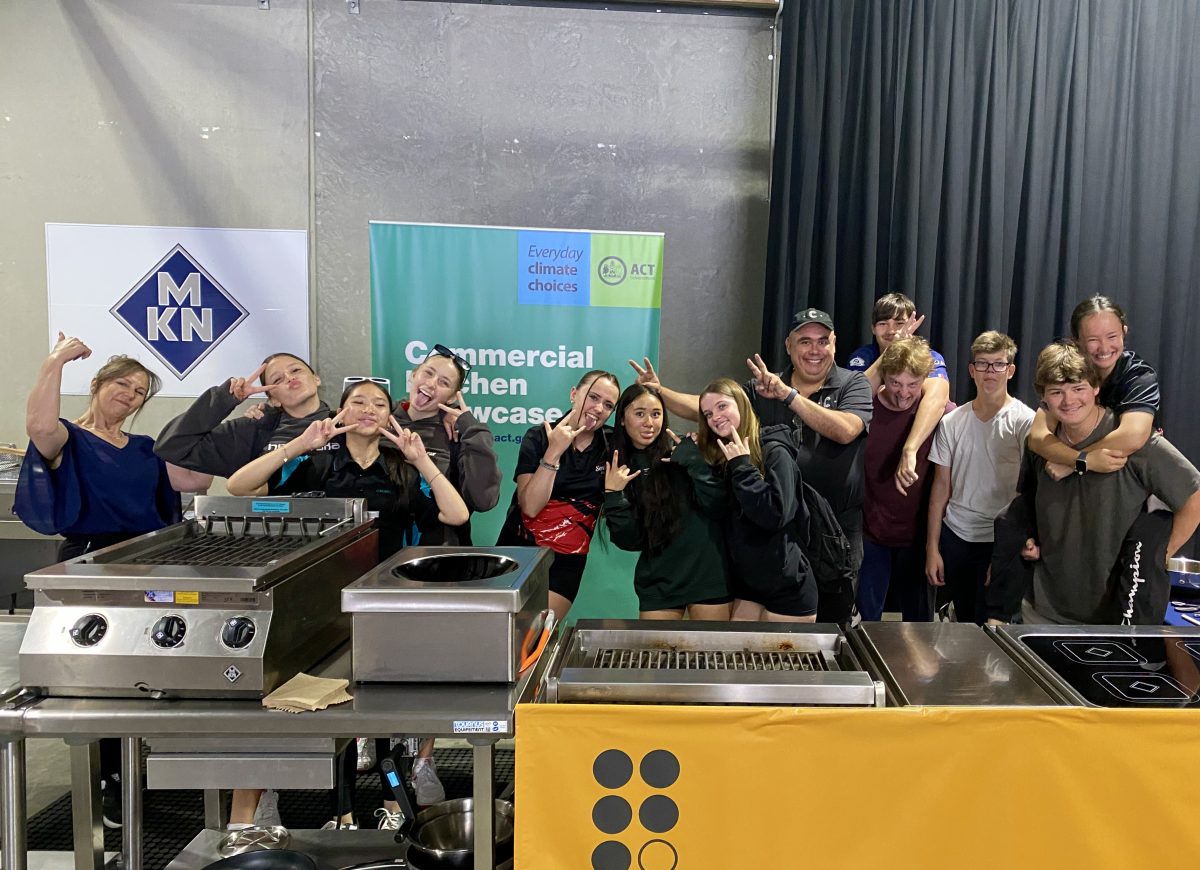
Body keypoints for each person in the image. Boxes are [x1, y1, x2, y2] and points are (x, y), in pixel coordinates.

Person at [228, 379, 468, 829]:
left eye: (379, 403)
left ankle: (392, 808)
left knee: (383, 710)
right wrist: (301, 442)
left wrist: (421, 461)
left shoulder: (403, 469)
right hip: (308, 607)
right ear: (339, 411)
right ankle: (282, 804)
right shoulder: (312, 458)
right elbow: (239, 487)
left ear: (389, 416)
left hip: (380, 608)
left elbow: (457, 515)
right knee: (291, 703)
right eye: (357, 401)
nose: (368, 409)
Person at [16, 333, 211, 830]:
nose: (129, 394)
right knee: (98, 675)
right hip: (89, 563)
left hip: (148, 563)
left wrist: (208, 423)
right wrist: (56, 359)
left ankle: (137, 763)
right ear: (98, 385)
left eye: (140, 391)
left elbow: (198, 481)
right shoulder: (68, 438)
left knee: (149, 668)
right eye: (122, 384)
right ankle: (108, 778)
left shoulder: (147, 448)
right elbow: (38, 424)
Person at [640, 308, 871, 622]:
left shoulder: (851, 383)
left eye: (822, 340)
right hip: (768, 552)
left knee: (832, 621)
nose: (814, 349)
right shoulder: (757, 392)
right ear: (789, 345)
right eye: (805, 341)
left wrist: (787, 395)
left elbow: (846, 430)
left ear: (834, 343)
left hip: (832, 526)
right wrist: (659, 393)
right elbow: (711, 404)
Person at [1012, 342, 1200, 625]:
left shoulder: (1136, 443)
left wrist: (1154, 559)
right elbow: (1026, 497)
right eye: (1056, 392)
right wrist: (1026, 536)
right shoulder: (1040, 445)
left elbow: (1194, 498)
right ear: (1043, 399)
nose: (1068, 400)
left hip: (1113, 617)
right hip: (1041, 609)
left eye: (1078, 389)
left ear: (1096, 388)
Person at [925, 332, 1034, 624]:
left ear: (1010, 370)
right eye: (983, 364)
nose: (990, 372)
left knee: (993, 623)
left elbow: (1033, 492)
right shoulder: (951, 422)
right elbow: (940, 488)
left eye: (998, 364)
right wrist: (932, 548)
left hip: (999, 539)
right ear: (972, 370)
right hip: (957, 535)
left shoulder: (1025, 422)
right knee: (963, 619)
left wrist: (1011, 551)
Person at [496, 370, 620, 622]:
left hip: (568, 560)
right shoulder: (539, 436)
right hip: (520, 548)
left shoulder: (612, 444)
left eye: (608, 405)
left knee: (537, 635)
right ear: (574, 394)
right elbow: (530, 507)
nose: (598, 408)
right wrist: (553, 453)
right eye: (593, 397)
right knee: (503, 631)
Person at [602, 385, 731, 619]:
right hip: (658, 582)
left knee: (713, 655)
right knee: (655, 655)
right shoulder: (616, 466)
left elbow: (719, 507)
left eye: (656, 413)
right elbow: (631, 541)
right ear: (622, 419)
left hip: (707, 575)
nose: (649, 422)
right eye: (639, 413)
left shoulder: (684, 448)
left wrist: (696, 463)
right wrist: (614, 495)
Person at [696, 378, 817, 622]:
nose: (715, 417)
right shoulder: (724, 458)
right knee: (737, 659)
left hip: (787, 585)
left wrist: (743, 468)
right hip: (747, 585)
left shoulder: (775, 452)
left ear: (741, 405)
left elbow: (775, 515)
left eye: (722, 406)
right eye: (708, 413)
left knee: (781, 660)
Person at [857, 338, 944, 622]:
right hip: (871, 533)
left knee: (920, 627)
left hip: (917, 536)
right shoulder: (865, 409)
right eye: (896, 383)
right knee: (866, 623)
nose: (904, 393)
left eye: (912, 384)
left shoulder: (939, 413)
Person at [1026, 295, 1159, 478]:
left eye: (1112, 336)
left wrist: (1075, 462)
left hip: (1121, 475)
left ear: (1124, 332)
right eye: (1093, 340)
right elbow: (1037, 436)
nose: (1104, 348)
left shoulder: (1138, 376)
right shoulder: (1067, 368)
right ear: (1076, 340)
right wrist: (1082, 461)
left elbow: (1133, 435)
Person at [155, 353, 337, 478]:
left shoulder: (347, 423)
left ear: (316, 378)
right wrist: (224, 399)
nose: (290, 378)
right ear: (273, 399)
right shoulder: (252, 429)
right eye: (277, 379)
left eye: (296, 370)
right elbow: (171, 446)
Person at [389, 344, 501, 544]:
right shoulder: (382, 421)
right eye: (428, 373)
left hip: (440, 554)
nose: (431, 384)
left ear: (451, 397)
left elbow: (484, 501)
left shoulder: (457, 434)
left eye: (444, 382)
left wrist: (473, 430)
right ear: (413, 375)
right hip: (379, 548)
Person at [846, 292, 952, 496]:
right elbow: (856, 398)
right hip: (869, 465)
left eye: (899, 323)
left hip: (917, 462)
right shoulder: (863, 357)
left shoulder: (929, 356)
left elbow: (939, 398)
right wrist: (893, 350)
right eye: (883, 323)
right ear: (872, 328)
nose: (892, 330)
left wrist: (910, 449)